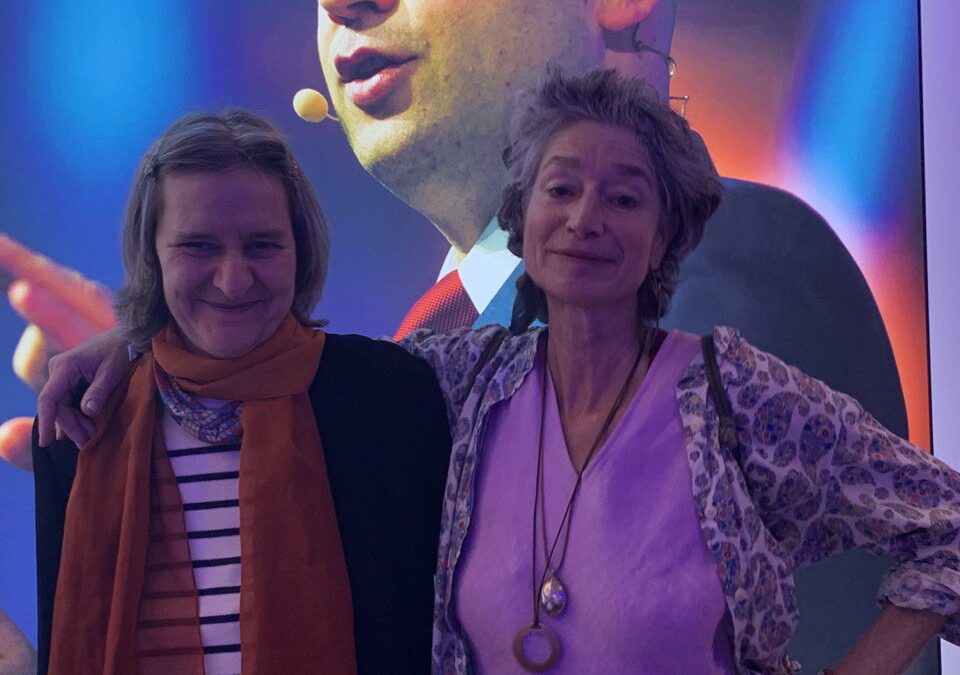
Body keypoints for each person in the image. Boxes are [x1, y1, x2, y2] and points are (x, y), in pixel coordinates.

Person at [395, 69, 957, 673]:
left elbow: (948, 523)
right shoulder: (463, 382)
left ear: (663, 237)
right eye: (560, 189)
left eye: (624, 198)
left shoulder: (731, 396)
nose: (584, 218)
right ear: (521, 214)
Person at [32, 109, 450, 674]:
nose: (233, 281)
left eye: (262, 245)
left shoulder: (392, 399)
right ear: (152, 255)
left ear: (301, 249)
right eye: (198, 246)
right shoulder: (83, 421)